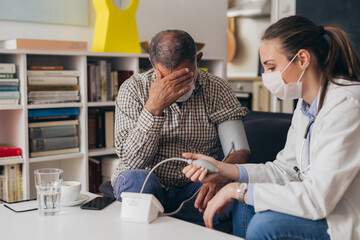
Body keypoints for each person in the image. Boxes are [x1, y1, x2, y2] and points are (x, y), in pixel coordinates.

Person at [183, 15, 360, 240]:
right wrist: (223, 169)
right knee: (246, 206)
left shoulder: (347, 104)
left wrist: (237, 190)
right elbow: (284, 170)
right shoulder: (306, 107)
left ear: (303, 59)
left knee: (265, 224)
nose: (266, 77)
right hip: (321, 207)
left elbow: (317, 198)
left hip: (341, 218)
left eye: (271, 67)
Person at [111, 29, 250, 228]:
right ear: (152, 64)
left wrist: (222, 175)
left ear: (198, 60)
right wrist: (153, 107)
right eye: (166, 77)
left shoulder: (217, 89)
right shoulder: (133, 89)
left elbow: (239, 152)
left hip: (194, 187)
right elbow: (133, 162)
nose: (175, 87)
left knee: (234, 199)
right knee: (136, 180)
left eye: (185, 77)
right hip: (146, 181)